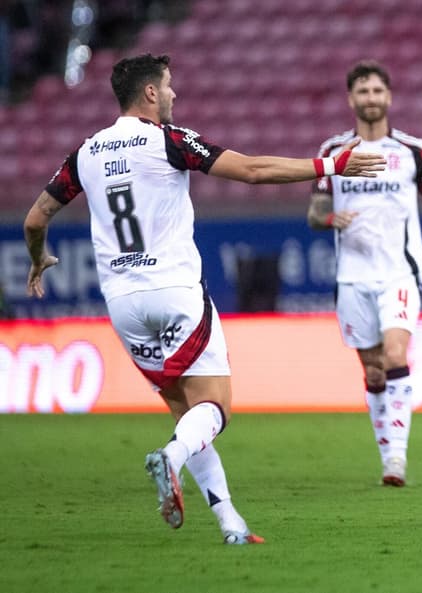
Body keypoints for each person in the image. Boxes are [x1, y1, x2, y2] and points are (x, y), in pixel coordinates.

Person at [23, 53, 385, 544]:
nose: (174, 95)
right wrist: (329, 164)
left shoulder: (85, 154)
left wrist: (39, 258)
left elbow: (35, 218)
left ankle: (230, 522)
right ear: (150, 93)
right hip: (175, 294)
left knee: (188, 415)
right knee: (215, 408)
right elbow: (253, 170)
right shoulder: (169, 140)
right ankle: (168, 459)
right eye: (168, 87)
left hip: (123, 306)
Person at [307, 60, 422, 487]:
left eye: (377, 91)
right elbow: (315, 213)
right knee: (374, 372)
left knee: (395, 356)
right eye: (363, 92)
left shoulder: (415, 153)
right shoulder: (332, 153)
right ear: (350, 99)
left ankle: (396, 459)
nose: (371, 98)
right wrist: (330, 217)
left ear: (388, 97)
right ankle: (385, 454)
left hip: (400, 274)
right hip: (352, 277)